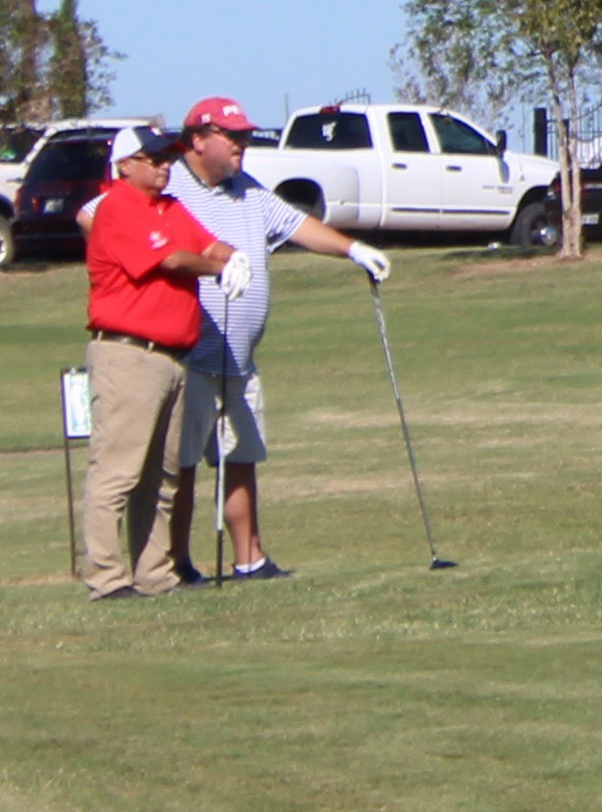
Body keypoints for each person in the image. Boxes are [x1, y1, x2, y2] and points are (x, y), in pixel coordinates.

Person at [162, 95, 393, 584]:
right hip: (190, 355)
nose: (242, 143)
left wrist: (352, 249)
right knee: (180, 466)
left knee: (241, 455)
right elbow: (98, 216)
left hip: (240, 359)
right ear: (198, 139)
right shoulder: (170, 183)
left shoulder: (245, 188)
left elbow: (295, 224)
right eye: (231, 136)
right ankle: (174, 564)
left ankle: (250, 558)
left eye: (245, 134)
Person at [77, 126, 245, 599]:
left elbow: (208, 245)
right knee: (118, 472)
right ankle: (107, 578)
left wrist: (236, 259)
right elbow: (171, 260)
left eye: (167, 158)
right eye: (151, 159)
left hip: (171, 358)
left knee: (164, 475)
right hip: (129, 353)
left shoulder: (170, 208)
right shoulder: (118, 207)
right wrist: (221, 269)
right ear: (124, 165)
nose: (163, 166)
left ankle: (155, 574)